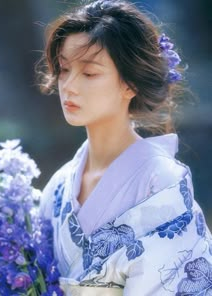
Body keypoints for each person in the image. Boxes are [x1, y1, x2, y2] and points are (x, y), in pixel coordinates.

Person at [38, 0, 212, 295]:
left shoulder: (161, 181)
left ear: (130, 84)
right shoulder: (58, 185)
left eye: (89, 73)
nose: (68, 85)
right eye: (64, 70)